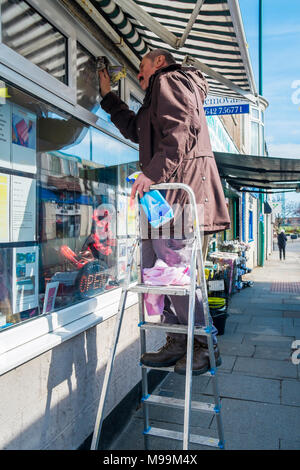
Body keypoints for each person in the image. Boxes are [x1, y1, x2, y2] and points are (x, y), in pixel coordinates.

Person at [98, 49, 230, 375]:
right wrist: (107, 97)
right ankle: (178, 339)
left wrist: (152, 173)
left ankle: (204, 343)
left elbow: (183, 128)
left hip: (179, 198)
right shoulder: (154, 97)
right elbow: (135, 129)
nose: (138, 73)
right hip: (165, 201)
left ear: (158, 61)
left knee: (175, 270)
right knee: (162, 271)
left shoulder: (170, 79)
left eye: (140, 65)